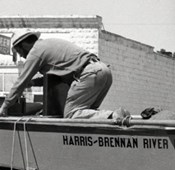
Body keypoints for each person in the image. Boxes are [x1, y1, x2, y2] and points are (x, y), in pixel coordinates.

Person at [0, 30, 129, 120]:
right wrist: (34, 83)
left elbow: (20, 83)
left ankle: (113, 115)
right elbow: (58, 76)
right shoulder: (48, 45)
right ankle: (115, 117)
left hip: (88, 74)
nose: (22, 56)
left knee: (71, 113)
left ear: (23, 45)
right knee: (86, 114)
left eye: (19, 51)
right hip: (103, 71)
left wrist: (4, 107)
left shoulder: (35, 52)